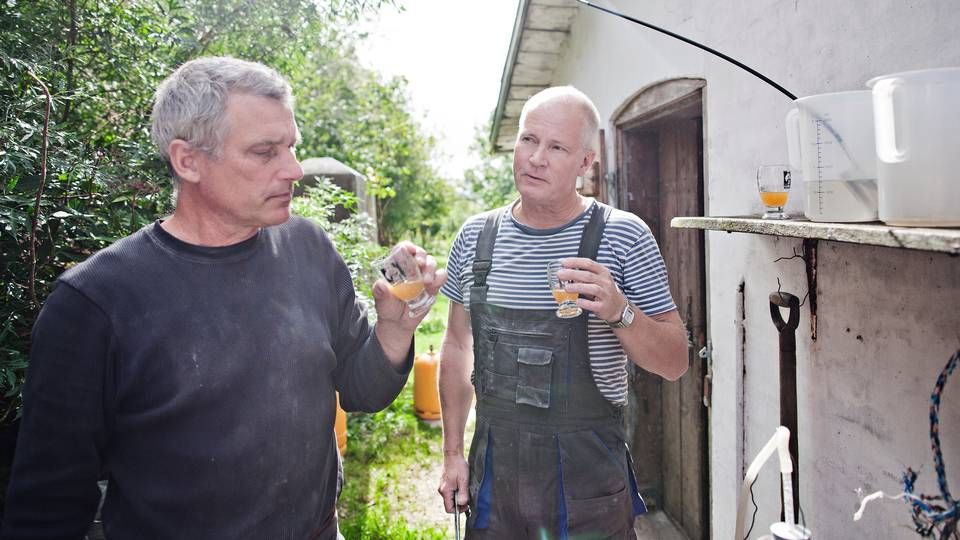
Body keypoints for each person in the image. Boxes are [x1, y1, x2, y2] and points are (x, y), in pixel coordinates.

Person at [1, 56, 445, 539]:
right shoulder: (94, 303)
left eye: (291, 147)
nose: (294, 170)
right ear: (187, 160)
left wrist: (395, 328)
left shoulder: (309, 248)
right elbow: (46, 507)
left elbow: (363, 391)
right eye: (264, 152)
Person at [436, 86, 689, 539]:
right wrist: (452, 452)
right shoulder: (476, 238)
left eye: (556, 147)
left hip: (588, 482)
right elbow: (457, 345)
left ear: (585, 164)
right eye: (529, 140)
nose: (536, 158)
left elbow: (675, 362)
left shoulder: (623, 236)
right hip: (496, 479)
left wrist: (619, 311)